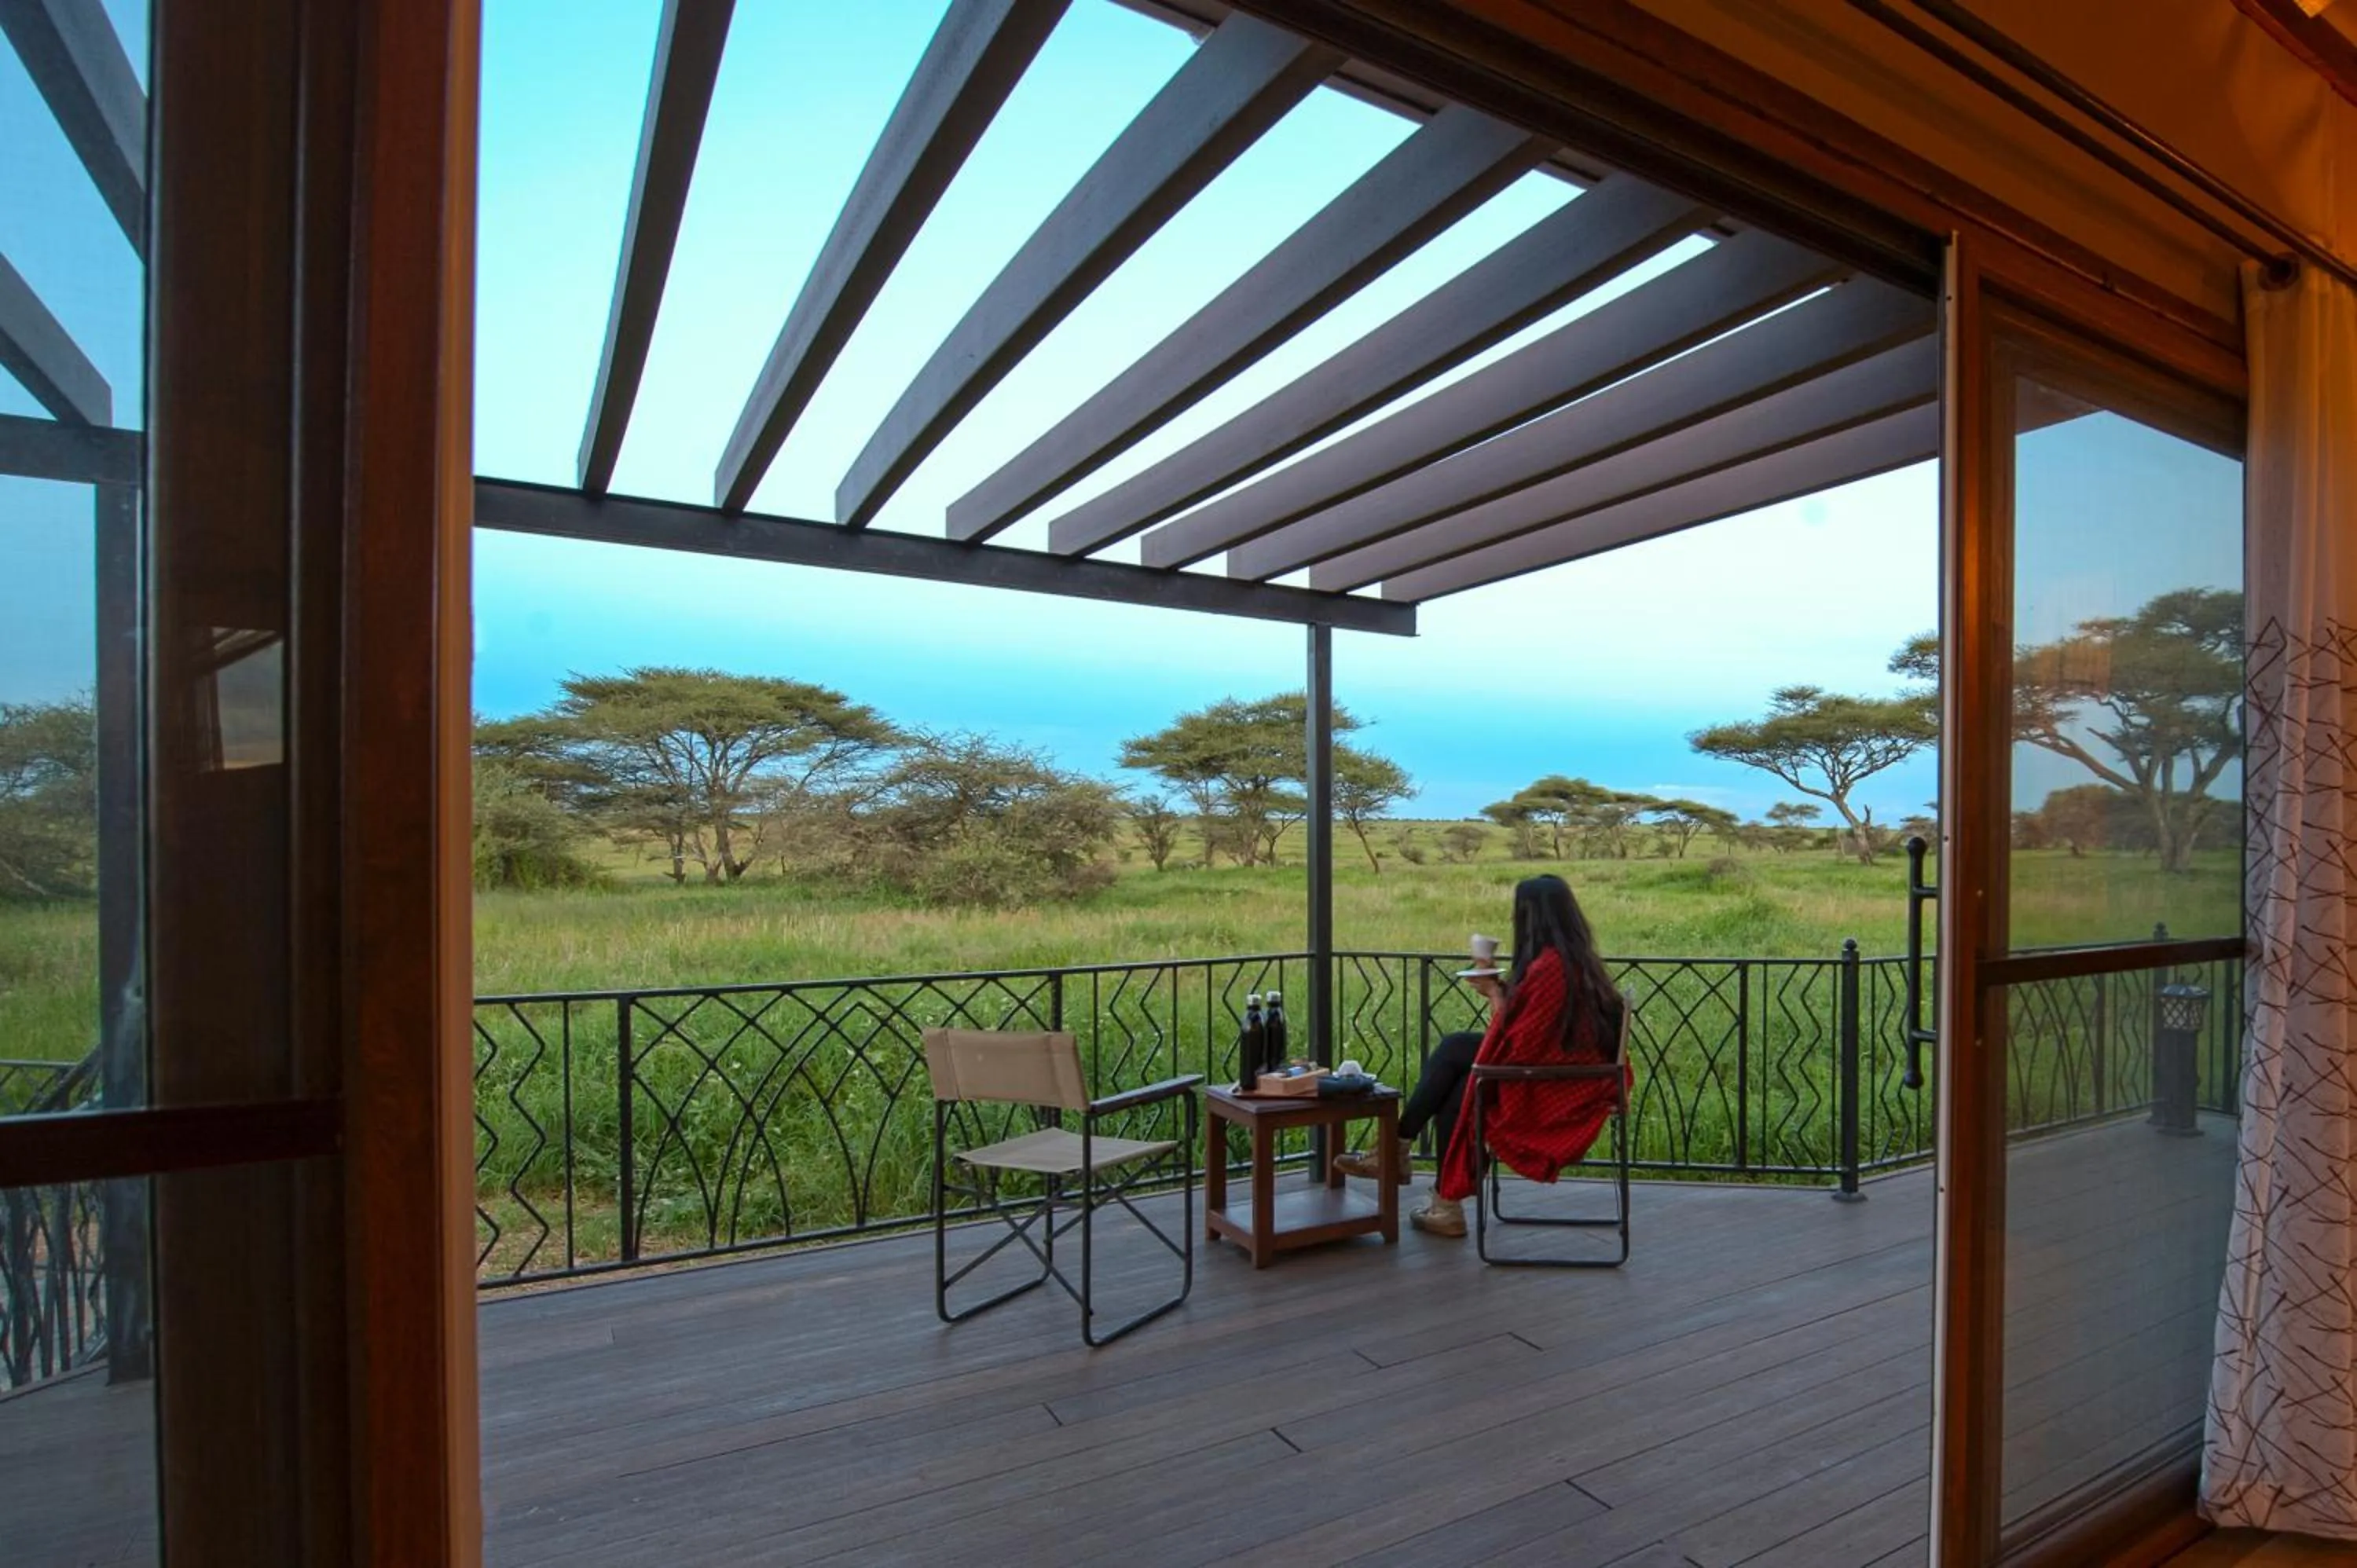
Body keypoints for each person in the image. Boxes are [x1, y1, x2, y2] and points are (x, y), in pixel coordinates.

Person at [1333, 873, 1627, 1236]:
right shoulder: (1574, 961)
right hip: (1563, 1075)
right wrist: (1500, 990)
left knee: (1457, 1055)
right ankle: (1432, 1191)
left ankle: (1403, 1158)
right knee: (1460, 1077)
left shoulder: (1551, 967)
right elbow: (1531, 1032)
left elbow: (1520, 1046)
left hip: (1554, 1090)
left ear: (1531, 918)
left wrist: (1493, 993)